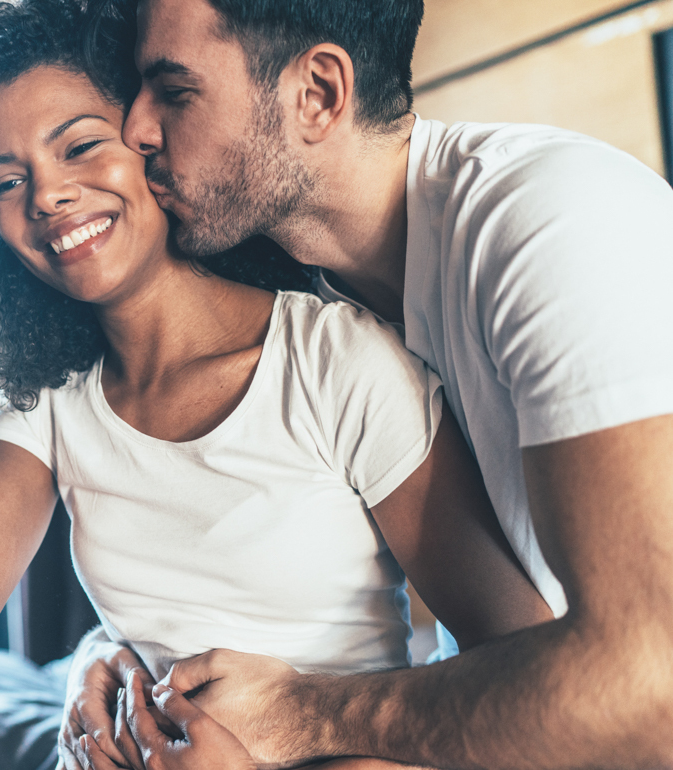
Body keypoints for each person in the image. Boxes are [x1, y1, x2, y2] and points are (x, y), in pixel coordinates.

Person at [0, 2, 551, 769]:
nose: (49, 195)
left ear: (151, 143)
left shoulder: (334, 362)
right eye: (8, 181)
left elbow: (516, 666)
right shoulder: (50, 398)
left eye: (80, 145)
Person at [59, 0, 673, 768]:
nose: (136, 129)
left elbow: (652, 693)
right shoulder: (315, 308)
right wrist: (114, 661)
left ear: (318, 93)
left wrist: (306, 715)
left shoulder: (555, 222)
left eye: (174, 91)